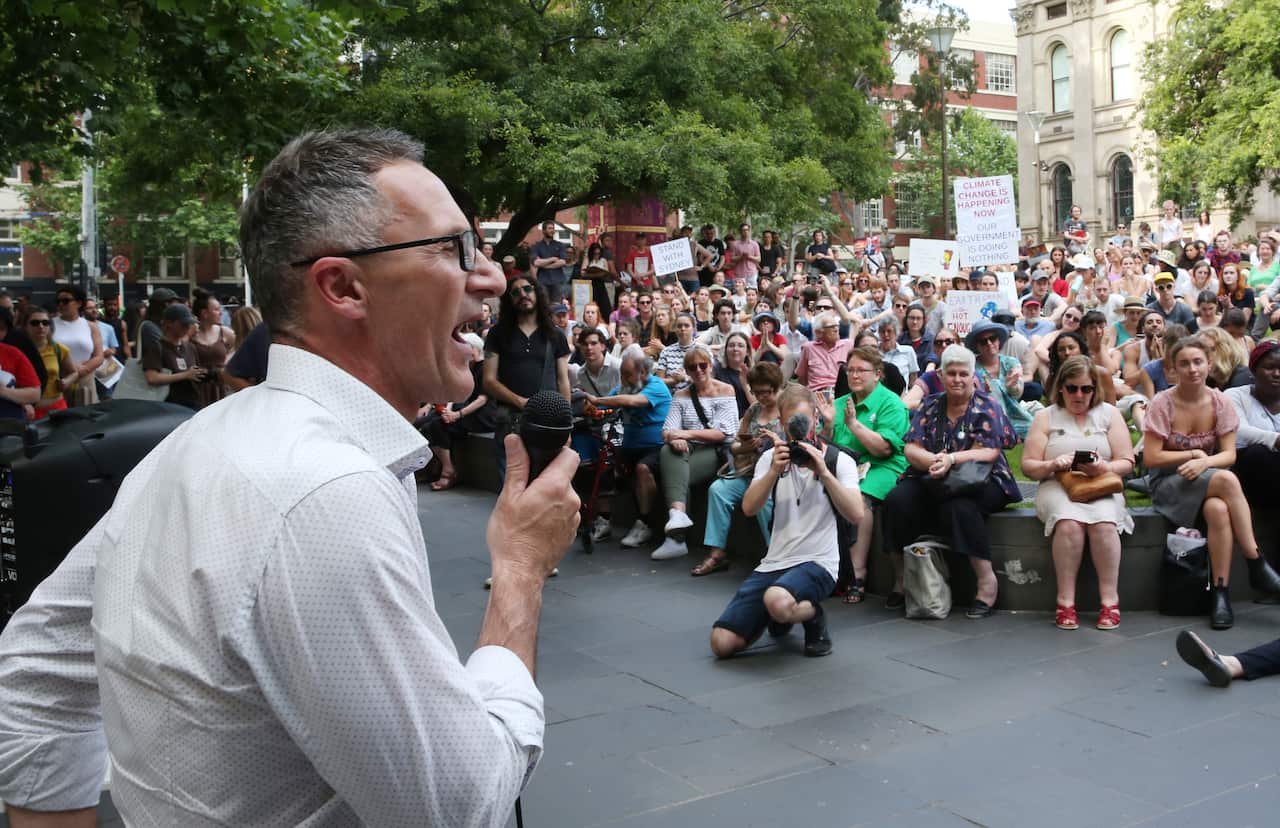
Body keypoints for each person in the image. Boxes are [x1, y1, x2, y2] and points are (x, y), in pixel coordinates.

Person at [0, 128, 582, 827]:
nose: (490, 276)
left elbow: (35, 666)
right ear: (341, 286)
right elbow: (460, 807)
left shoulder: (201, 439)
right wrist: (519, 570)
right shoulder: (323, 496)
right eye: (453, 249)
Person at [709, 383, 864, 659]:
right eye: (792, 424)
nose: (800, 431)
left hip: (819, 562)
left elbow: (856, 514)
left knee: (776, 599)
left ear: (816, 419)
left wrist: (824, 472)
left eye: (804, 422)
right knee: (721, 643)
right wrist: (772, 472)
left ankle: (812, 614)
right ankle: (778, 613)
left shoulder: (838, 460)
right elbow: (749, 508)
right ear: (781, 424)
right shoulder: (770, 458)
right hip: (776, 561)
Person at [1142, 336, 1280, 629]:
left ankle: (1220, 594)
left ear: (1209, 364)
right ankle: (1256, 562)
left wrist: (1204, 461)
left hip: (1206, 477)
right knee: (1228, 481)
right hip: (1169, 483)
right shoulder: (1162, 403)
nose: (1192, 369)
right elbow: (1152, 458)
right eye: (1184, 364)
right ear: (1173, 369)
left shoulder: (1220, 401)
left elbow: (1228, 454)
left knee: (1218, 509)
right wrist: (1193, 453)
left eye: (1197, 362)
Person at [882, 345, 1021, 618]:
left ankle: (986, 582)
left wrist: (952, 459)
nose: (957, 379)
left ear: (973, 377)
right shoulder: (931, 404)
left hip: (984, 479)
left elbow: (990, 451)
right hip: (933, 474)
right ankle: (901, 579)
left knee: (960, 506)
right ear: (942, 376)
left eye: (963, 374)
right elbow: (911, 448)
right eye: (951, 373)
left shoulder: (987, 406)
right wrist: (934, 460)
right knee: (896, 501)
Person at [1021, 356, 1135, 630]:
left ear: (1095, 389)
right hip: (1058, 484)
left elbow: (1127, 462)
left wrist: (1103, 467)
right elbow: (1028, 466)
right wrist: (1052, 464)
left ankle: (1110, 600)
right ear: (1061, 387)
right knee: (1069, 523)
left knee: (1104, 524)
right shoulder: (1045, 417)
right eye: (1072, 388)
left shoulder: (1109, 413)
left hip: (1101, 484)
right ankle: (1065, 601)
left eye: (1086, 388)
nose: (1079, 395)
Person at [821, 346, 909, 603]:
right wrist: (827, 423)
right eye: (851, 370)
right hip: (843, 467)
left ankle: (857, 573)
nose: (855, 375)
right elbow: (822, 445)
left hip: (883, 466)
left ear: (878, 374)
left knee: (859, 497)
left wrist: (854, 426)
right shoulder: (838, 403)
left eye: (862, 370)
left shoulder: (891, 402)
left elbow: (883, 448)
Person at [691, 362, 785, 576]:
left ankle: (776, 556)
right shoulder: (753, 410)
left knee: (764, 501)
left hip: (774, 475)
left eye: (766, 392)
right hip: (748, 471)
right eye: (756, 392)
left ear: (777, 387)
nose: (761, 397)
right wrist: (745, 446)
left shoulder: (787, 409)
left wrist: (773, 442)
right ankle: (717, 553)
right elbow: (733, 446)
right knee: (718, 490)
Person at [650, 346, 738, 561]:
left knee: (677, 470)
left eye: (702, 365)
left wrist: (684, 434)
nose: (698, 370)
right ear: (687, 371)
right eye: (692, 367)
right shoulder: (681, 395)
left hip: (715, 450)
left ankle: (676, 538)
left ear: (710, 365)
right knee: (669, 451)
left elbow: (722, 433)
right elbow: (667, 430)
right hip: (689, 448)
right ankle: (678, 515)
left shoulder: (725, 391)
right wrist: (676, 437)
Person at [584, 346, 672, 549]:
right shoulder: (625, 387)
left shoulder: (656, 386)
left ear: (642, 373)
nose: (623, 379)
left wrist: (597, 399)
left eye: (627, 375)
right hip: (630, 448)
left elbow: (632, 402)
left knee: (643, 468)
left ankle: (645, 523)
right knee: (603, 464)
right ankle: (604, 521)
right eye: (621, 374)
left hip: (657, 448)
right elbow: (607, 404)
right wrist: (591, 407)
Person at [483, 274, 572, 476]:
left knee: (547, 487)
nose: (523, 294)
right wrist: (521, 402)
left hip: (547, 423)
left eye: (527, 289)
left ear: (537, 292)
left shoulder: (555, 334)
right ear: (510, 300)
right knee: (512, 489)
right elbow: (488, 381)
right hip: (510, 422)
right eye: (515, 292)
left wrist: (566, 425)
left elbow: (563, 381)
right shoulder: (497, 334)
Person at [418, 332, 495, 491]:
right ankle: (435, 467)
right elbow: (459, 392)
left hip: (483, 414)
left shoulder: (485, 368)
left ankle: (448, 470)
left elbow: (482, 399)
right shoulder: (468, 367)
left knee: (438, 425)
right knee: (428, 425)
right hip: (466, 409)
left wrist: (457, 414)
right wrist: (449, 410)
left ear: (474, 349)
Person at [1224, 340, 1280, 510]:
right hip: (1248, 474)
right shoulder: (1235, 396)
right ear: (1254, 370)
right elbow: (1237, 430)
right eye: (1269, 367)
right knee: (1258, 453)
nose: (1277, 373)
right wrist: (1276, 440)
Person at [967, 319, 1032, 437]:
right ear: (977, 346)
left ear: (998, 340)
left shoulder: (1011, 362)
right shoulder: (972, 368)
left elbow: (1018, 394)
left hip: (1016, 415)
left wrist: (1011, 386)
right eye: (983, 341)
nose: (989, 343)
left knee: (1033, 427)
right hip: (987, 417)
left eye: (992, 338)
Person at [51, 284, 104, 407]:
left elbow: (98, 356)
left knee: (85, 420)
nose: (61, 305)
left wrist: (79, 371)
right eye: (58, 301)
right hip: (58, 380)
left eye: (66, 301)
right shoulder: (49, 324)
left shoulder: (91, 326)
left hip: (85, 379)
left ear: (79, 303)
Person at [25, 307, 75, 419]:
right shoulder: (18, 351)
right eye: (35, 323)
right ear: (26, 326)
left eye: (45, 322)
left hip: (57, 407)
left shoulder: (59, 349)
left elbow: (74, 372)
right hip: (29, 412)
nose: (41, 326)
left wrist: (66, 381)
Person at [190, 289, 237, 408]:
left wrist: (227, 361)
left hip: (222, 387)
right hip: (198, 389)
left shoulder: (225, 332)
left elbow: (238, 349)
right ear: (204, 313)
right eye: (216, 310)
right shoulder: (191, 334)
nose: (221, 313)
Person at [795, 311, 853, 397]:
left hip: (840, 394)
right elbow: (802, 378)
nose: (836, 329)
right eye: (831, 327)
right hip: (817, 394)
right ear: (819, 332)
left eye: (836, 325)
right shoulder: (809, 348)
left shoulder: (848, 345)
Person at [0, 307, 41, 421]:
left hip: (8, 425)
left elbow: (35, 393)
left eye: (2, 328)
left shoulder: (13, 354)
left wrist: (5, 392)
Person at [655, 312, 698, 390]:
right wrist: (674, 381)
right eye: (679, 326)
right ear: (675, 329)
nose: (683, 329)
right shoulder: (666, 351)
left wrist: (685, 378)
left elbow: (709, 380)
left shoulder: (702, 349)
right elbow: (658, 382)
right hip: (672, 396)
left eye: (687, 326)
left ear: (693, 328)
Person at [530, 220, 570, 303]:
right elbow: (536, 263)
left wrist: (544, 265)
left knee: (557, 307)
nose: (552, 230)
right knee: (544, 307)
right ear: (544, 231)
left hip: (557, 281)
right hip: (542, 281)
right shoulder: (537, 246)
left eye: (553, 228)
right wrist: (552, 259)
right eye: (550, 228)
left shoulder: (560, 245)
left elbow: (563, 262)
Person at [714, 331, 753, 415]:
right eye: (731, 345)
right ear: (726, 350)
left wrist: (745, 385)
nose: (735, 349)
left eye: (740, 346)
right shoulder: (716, 370)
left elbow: (757, 405)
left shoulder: (755, 373)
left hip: (745, 420)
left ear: (747, 352)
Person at [728, 222, 760, 288]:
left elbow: (759, 259)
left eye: (747, 230)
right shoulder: (735, 244)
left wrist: (749, 257)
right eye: (743, 230)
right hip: (739, 273)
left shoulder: (754, 244)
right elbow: (732, 258)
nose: (745, 232)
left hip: (751, 273)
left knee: (752, 291)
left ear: (749, 231)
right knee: (739, 291)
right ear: (740, 232)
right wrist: (741, 257)